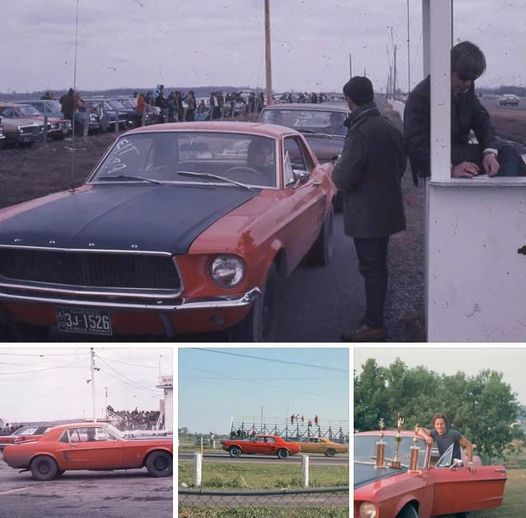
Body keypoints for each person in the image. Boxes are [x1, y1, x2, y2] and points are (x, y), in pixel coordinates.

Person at [333, 76, 406, 342]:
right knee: (379, 267)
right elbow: (401, 166)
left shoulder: (360, 130)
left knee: (371, 268)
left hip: (366, 214)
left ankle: (374, 325)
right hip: (386, 210)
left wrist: (335, 170)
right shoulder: (387, 127)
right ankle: (373, 318)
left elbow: (343, 178)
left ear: (350, 101)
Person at [404, 41, 526, 184]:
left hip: (456, 151)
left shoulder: (464, 90)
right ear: (448, 69)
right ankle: (505, 202)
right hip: (434, 158)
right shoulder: (420, 96)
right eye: (464, 77)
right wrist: (449, 169)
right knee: (508, 155)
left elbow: (481, 120)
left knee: (507, 154)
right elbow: (415, 144)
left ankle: (506, 202)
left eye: (473, 79)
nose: (468, 83)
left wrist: (490, 153)